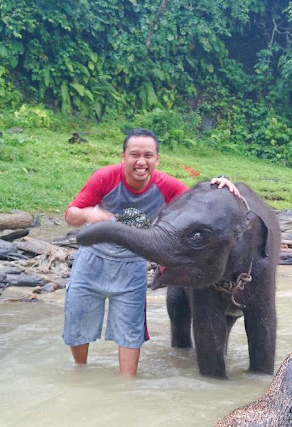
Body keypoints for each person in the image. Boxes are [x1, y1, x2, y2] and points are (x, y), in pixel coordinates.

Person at [62, 128, 240, 376]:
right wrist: (89, 214)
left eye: (148, 155)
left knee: (130, 332)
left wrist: (222, 182)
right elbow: (70, 215)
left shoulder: (166, 186)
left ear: (157, 159)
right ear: (123, 156)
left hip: (132, 264)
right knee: (78, 323)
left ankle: (127, 385)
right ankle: (80, 373)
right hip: (92, 261)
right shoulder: (105, 178)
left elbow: (200, 204)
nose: (141, 162)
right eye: (134, 155)